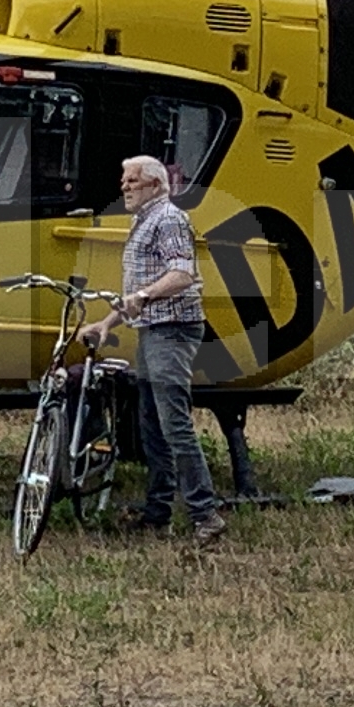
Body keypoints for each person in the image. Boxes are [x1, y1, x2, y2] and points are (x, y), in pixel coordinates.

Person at [97, 152, 227, 542]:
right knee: (152, 426)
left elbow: (182, 273)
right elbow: (139, 293)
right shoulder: (144, 222)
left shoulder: (168, 219)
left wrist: (144, 295)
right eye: (124, 181)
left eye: (132, 181)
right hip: (153, 331)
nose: (124, 187)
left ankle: (206, 515)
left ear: (156, 184)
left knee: (174, 425)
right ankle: (157, 514)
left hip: (172, 331)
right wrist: (107, 322)